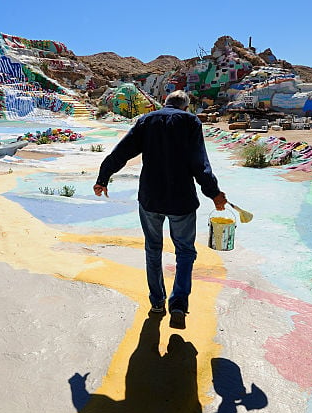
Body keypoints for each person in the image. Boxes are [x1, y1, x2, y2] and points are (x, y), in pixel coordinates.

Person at [94, 90, 227, 330]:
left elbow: (121, 152)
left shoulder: (146, 121)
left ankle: (157, 302)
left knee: (153, 249)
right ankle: (178, 304)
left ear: (164, 103)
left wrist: (103, 178)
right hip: (181, 200)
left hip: (150, 199)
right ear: (186, 106)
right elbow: (200, 163)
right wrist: (214, 193)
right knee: (185, 251)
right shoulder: (190, 122)